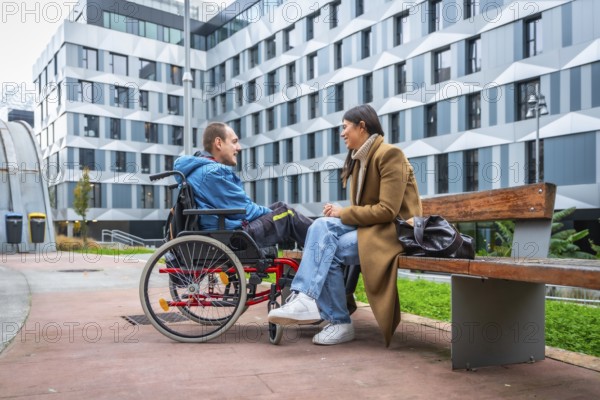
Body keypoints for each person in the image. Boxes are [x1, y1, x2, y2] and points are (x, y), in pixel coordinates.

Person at [268, 104, 422, 346]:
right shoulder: (359, 160)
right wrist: (337, 215)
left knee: (332, 249)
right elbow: (366, 209)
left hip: (394, 232)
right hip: (372, 229)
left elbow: (388, 210)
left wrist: (344, 213)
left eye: (345, 127)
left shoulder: (390, 155)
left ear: (362, 126)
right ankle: (305, 297)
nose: (342, 133)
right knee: (321, 227)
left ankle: (338, 320)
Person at [173, 122, 313, 248]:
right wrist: (275, 216)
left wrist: (273, 213)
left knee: (279, 208)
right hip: (232, 236)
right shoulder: (213, 172)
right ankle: (326, 240)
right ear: (218, 143)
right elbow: (245, 210)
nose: (238, 148)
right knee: (287, 214)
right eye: (234, 142)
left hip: (219, 232)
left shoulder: (198, 171)